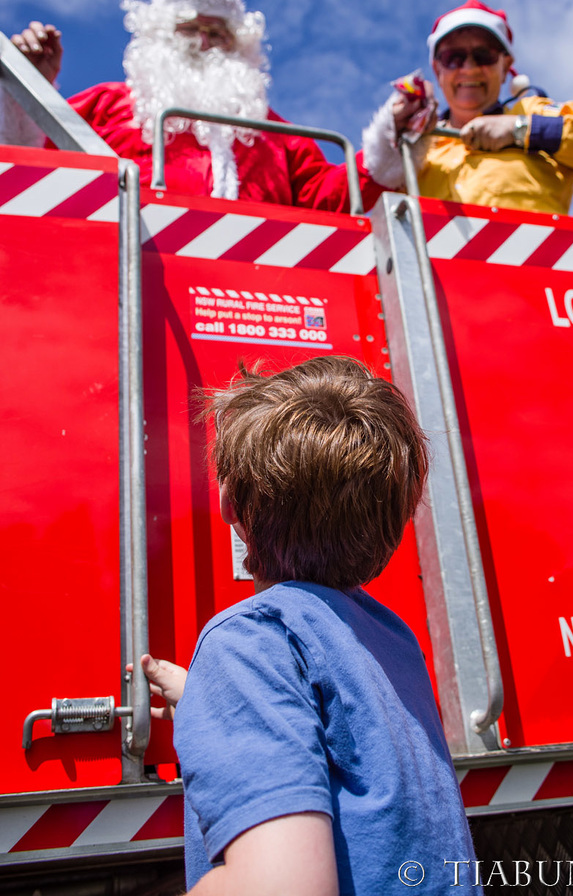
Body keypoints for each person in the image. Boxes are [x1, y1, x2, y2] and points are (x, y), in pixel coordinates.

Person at [145, 356, 480, 895]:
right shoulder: (391, 637)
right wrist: (209, 695)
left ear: (232, 505)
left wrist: (233, 680)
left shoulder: (251, 644)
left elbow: (279, 885)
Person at [2, 0, 386, 212]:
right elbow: (32, 164)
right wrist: (27, 91)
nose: (202, 42)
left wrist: (385, 148)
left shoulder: (277, 135)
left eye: (216, 33)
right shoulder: (107, 104)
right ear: (158, 34)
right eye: (187, 29)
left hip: (258, 305)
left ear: (239, 45)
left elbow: (327, 197)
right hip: (117, 286)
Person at [362, 0, 573, 217]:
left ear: (506, 65)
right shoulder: (416, 146)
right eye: (453, 57)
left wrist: (521, 130)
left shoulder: (531, 112)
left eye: (483, 56)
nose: (469, 69)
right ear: (437, 68)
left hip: (530, 285)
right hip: (434, 286)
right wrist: (393, 135)